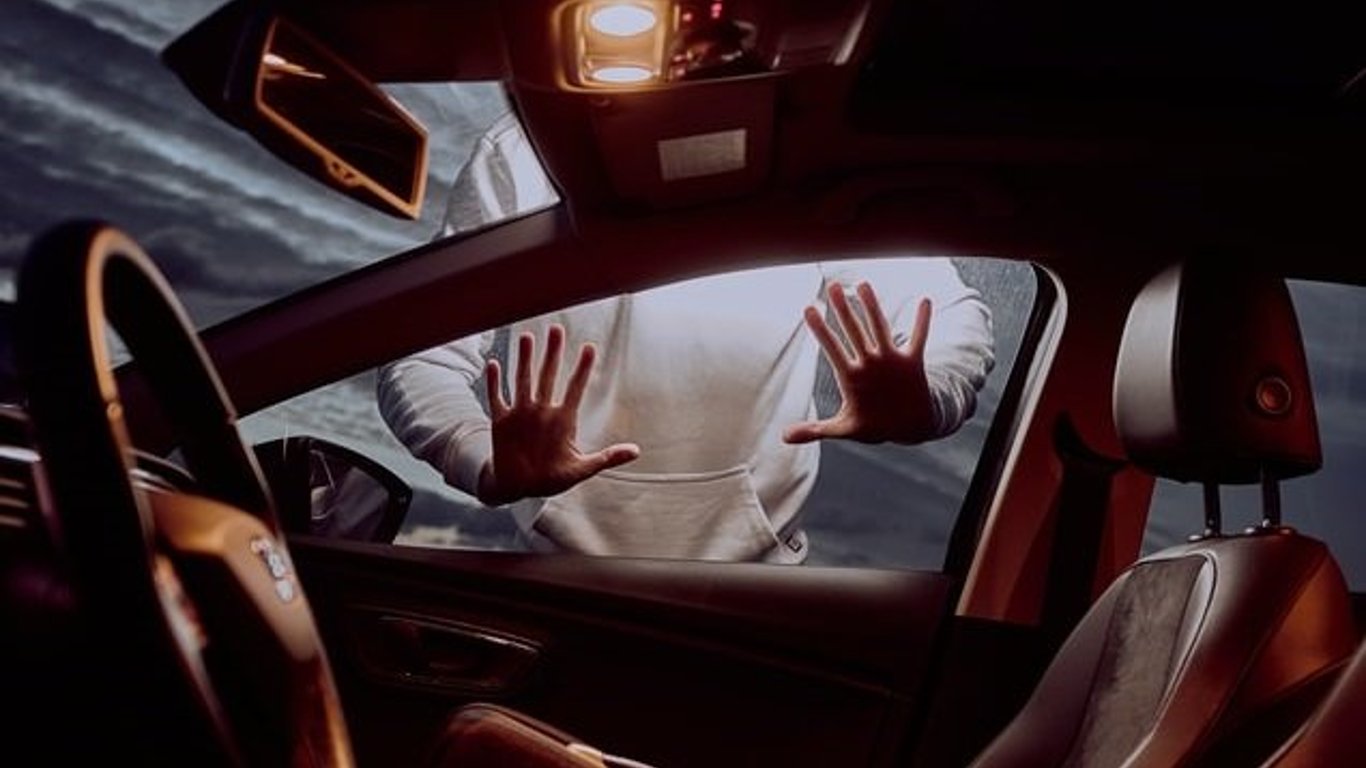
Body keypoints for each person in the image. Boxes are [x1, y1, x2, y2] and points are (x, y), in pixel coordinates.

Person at [377, 113, 994, 563]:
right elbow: (418, 352)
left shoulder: (807, 152)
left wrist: (926, 399)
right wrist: (480, 457)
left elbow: (951, 312)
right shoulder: (526, 153)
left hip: (757, 587)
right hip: (557, 575)